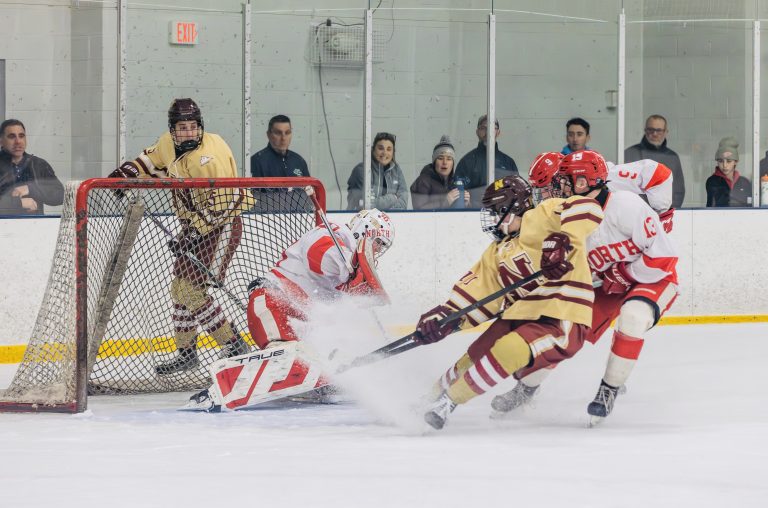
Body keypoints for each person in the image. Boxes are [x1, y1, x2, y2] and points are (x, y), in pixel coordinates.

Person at [492, 150, 679, 425]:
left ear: (578, 181)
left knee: (633, 317)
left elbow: (663, 258)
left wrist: (661, 216)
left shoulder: (623, 203)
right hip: (605, 282)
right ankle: (526, 389)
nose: (549, 194)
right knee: (561, 330)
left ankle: (609, 388)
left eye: (556, 184)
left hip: (652, 276)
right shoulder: (559, 217)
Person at [415, 175, 604, 430]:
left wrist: (563, 239)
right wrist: (447, 318)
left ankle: (449, 402)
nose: (492, 219)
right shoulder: (497, 251)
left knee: (509, 349)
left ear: (513, 208)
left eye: (496, 212)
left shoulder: (544, 214)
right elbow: (478, 293)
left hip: (561, 313)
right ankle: (428, 398)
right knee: (474, 355)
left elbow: (589, 208)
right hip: (520, 313)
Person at [185, 208, 395, 411]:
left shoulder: (350, 261)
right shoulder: (333, 233)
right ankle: (214, 394)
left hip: (299, 322)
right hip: (271, 304)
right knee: (285, 358)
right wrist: (351, 268)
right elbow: (317, 255)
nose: (378, 249)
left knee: (328, 359)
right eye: (378, 242)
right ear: (363, 230)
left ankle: (316, 382)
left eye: (382, 246)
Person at [107, 98, 255, 375]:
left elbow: (224, 203)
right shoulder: (167, 143)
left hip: (222, 227)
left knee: (189, 291)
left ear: (200, 126)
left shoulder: (210, 156)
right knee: (179, 289)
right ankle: (187, 353)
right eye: (182, 128)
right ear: (173, 129)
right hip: (195, 228)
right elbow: (150, 160)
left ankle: (234, 344)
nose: (188, 133)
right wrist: (126, 173)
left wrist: (193, 234)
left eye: (193, 126)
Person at [0, 119, 64, 215]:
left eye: (21, 136)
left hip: (35, 223)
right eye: (12, 136)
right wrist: (19, 203)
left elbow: (61, 195)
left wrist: (31, 189)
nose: (18, 141)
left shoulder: (39, 164)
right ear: (1, 141)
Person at [454, 114, 518, 206]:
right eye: (483, 128)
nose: (488, 132)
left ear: (498, 132)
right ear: (477, 132)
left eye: (492, 128)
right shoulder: (466, 162)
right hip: (475, 213)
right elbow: (458, 196)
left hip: (502, 213)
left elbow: (516, 192)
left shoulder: (508, 162)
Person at [625, 114, 686, 208]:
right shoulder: (630, 153)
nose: (654, 133)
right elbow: (624, 186)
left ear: (666, 132)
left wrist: (670, 211)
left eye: (659, 130)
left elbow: (678, 190)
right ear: (645, 130)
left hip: (665, 212)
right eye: (651, 129)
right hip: (636, 211)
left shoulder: (673, 157)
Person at [347, 132, 408, 211]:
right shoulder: (362, 170)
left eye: (389, 149)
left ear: (393, 152)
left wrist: (388, 211)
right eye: (380, 148)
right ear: (373, 150)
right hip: (360, 217)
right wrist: (393, 198)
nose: (385, 153)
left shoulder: (396, 170)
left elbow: (403, 203)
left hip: (390, 218)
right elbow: (367, 204)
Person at [409, 135, 470, 209]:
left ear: (453, 163)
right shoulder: (423, 181)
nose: (445, 162)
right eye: (440, 158)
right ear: (434, 162)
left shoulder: (456, 182)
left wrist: (466, 205)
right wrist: (446, 201)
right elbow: (420, 209)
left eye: (449, 159)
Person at [705, 137, 752, 207]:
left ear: (736, 162)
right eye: (721, 161)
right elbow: (711, 206)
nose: (725, 165)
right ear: (717, 162)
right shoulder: (712, 181)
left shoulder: (745, 182)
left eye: (729, 161)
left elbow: (750, 206)